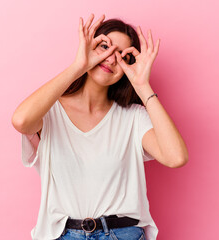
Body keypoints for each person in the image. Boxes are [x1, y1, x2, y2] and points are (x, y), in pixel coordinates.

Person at [12, 14, 188, 240]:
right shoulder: (51, 111)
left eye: (122, 56)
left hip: (122, 234)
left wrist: (143, 86)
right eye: (104, 47)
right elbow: (21, 121)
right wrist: (79, 65)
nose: (111, 59)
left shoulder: (133, 117)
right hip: (64, 234)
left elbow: (176, 157)